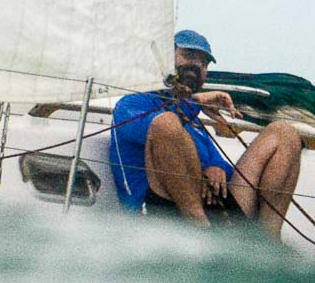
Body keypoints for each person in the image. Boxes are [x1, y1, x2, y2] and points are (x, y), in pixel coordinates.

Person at [108, 29, 302, 241]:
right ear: (165, 58)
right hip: (163, 209)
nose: (197, 65)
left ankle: (268, 242)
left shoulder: (194, 122)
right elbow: (160, 130)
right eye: (189, 55)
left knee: (284, 133)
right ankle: (199, 231)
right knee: (166, 123)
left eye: (204, 63)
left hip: (215, 208)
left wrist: (216, 166)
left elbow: (219, 163)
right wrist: (196, 102)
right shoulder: (131, 104)